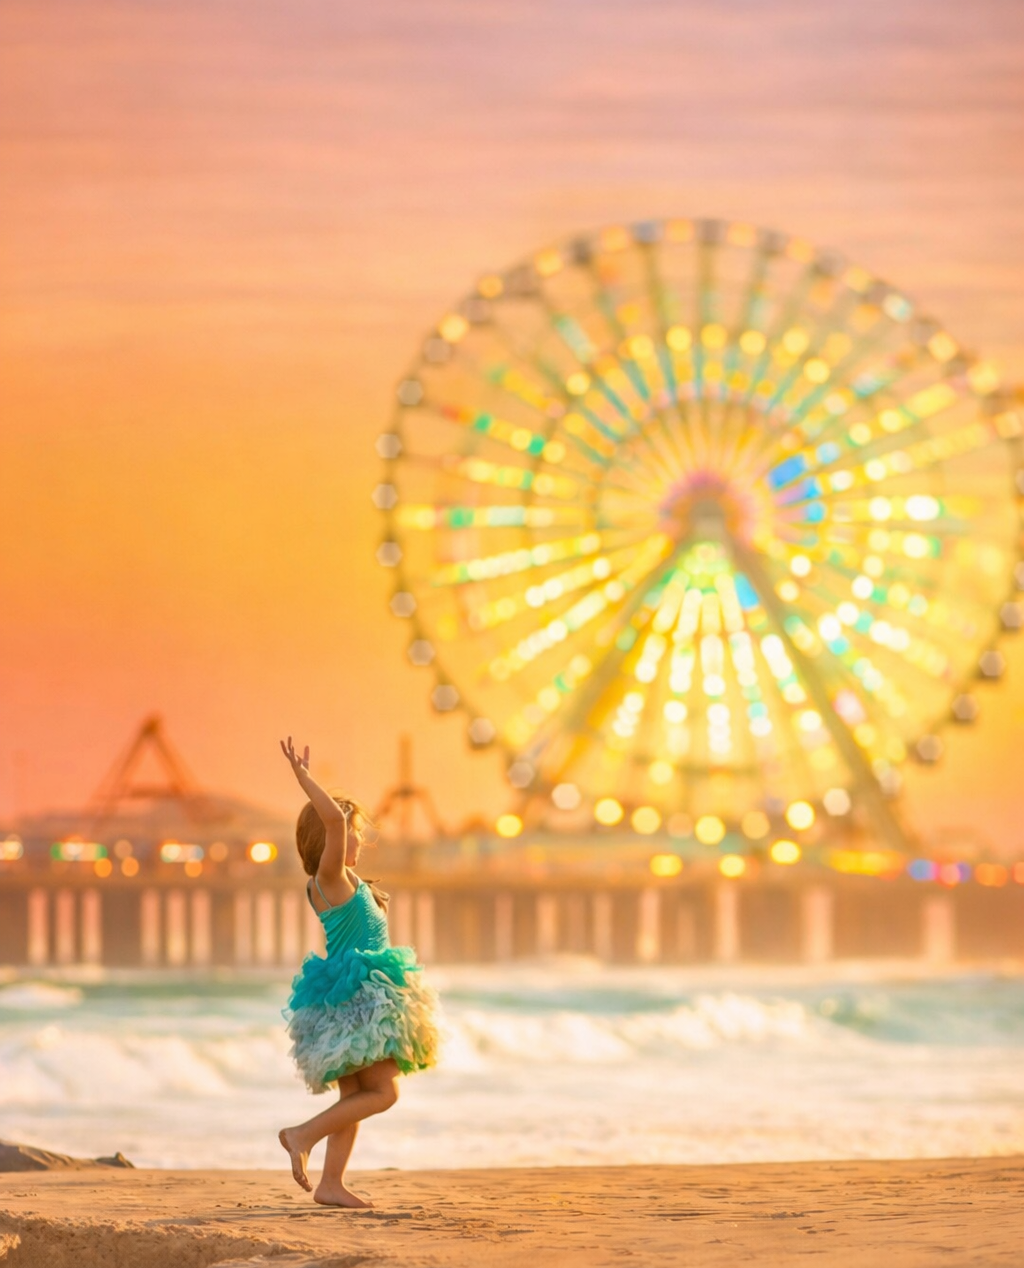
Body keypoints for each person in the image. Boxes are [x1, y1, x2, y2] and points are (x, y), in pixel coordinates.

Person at [277, 736, 439, 1208]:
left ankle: (330, 1185)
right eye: (352, 833)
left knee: (354, 1097)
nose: (357, 840)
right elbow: (330, 818)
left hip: (344, 997)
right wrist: (304, 778)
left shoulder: (346, 882)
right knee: (383, 1093)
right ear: (327, 838)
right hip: (361, 997)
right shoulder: (330, 878)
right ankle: (300, 1135)